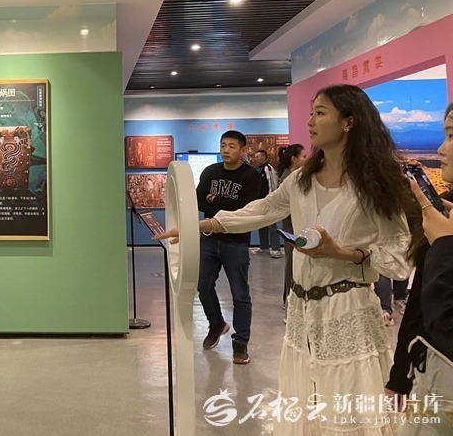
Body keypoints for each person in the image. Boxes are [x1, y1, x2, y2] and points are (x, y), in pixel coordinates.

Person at [158, 84, 417, 434]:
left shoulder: (373, 183)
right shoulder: (301, 180)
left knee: (347, 409)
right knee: (305, 406)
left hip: (349, 311)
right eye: (311, 113)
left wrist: (344, 253)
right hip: (301, 311)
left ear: (349, 122)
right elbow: (263, 209)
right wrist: (198, 225)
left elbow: (400, 255)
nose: (310, 122)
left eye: (320, 113)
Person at [165, 130, 262, 364]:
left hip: (236, 242)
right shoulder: (211, 172)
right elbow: (198, 201)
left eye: (231, 146)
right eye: (223, 145)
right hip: (208, 238)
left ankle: (241, 342)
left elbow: (244, 208)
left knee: (240, 294)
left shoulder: (251, 176)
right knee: (203, 285)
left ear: (242, 150)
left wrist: (214, 200)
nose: (226, 150)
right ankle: (216, 323)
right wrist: (221, 204)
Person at [387, 102, 453, 434]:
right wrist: (400, 373)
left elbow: (444, 320)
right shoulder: (446, 211)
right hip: (427, 370)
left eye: (452, 135)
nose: (441, 149)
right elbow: (419, 306)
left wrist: (444, 243)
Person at [276, 143, 306, 320]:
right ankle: (289, 303)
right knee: (292, 265)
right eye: (303, 157)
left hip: (297, 229)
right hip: (292, 229)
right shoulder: (288, 179)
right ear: (294, 159)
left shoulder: (296, 177)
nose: (306, 160)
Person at [252, 149, 282, 258]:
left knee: (272, 225)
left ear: (264, 157)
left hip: (269, 201)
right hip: (260, 202)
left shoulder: (268, 169)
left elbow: (273, 184)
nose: (257, 159)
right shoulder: (258, 170)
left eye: (259, 157)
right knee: (261, 224)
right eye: (256, 157)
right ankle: (264, 247)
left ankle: (276, 249)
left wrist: (271, 199)